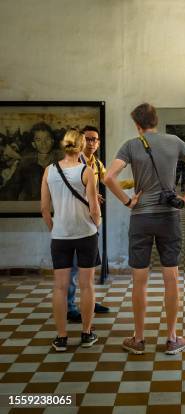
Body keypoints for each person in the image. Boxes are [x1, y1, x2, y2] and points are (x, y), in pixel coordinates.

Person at [104, 103, 185, 355]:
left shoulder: (131, 145)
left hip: (141, 218)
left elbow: (108, 177)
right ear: (156, 120)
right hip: (169, 218)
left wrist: (128, 201)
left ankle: (139, 338)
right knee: (171, 278)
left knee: (139, 280)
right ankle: (172, 338)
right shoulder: (174, 142)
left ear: (137, 125)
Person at [40, 128, 101, 352]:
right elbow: (94, 208)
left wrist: (55, 230)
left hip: (60, 236)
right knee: (87, 285)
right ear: (82, 145)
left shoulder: (49, 170)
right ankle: (86, 333)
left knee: (59, 287)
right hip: (86, 234)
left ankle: (61, 337)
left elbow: (45, 209)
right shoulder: (87, 171)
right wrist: (98, 224)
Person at [66, 126, 112, 323]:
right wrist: (90, 195)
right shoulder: (74, 163)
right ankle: (69, 307)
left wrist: (136, 183)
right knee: (74, 267)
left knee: (88, 266)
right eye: (88, 139)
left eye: (95, 139)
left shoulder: (97, 163)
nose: (92, 143)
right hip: (76, 220)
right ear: (81, 142)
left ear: (99, 142)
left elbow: (108, 180)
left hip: (91, 221)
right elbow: (69, 191)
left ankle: (88, 302)